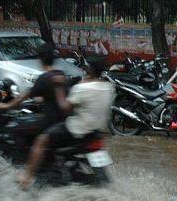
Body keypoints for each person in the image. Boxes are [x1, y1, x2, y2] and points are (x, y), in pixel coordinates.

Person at [18, 58, 115, 190]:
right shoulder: (109, 87)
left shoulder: (82, 87)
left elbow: (64, 108)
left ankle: (26, 179)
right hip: (96, 132)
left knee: (41, 140)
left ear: (89, 69)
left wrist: (58, 87)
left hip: (76, 131)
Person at [0, 43, 66, 132]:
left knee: (15, 125)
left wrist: (5, 105)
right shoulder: (61, 74)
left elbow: (22, 97)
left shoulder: (44, 78)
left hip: (50, 120)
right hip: (62, 119)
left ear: (40, 59)